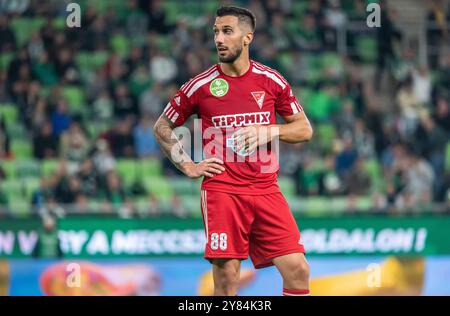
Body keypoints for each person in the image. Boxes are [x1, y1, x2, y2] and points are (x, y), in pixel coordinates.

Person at [153, 6, 313, 296]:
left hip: (266, 189)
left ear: (247, 37)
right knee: (228, 278)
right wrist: (188, 165)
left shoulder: (271, 80)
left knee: (298, 269)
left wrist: (269, 130)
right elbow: (162, 127)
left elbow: (304, 129)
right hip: (222, 190)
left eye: (227, 31)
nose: (219, 39)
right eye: (216, 31)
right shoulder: (200, 86)